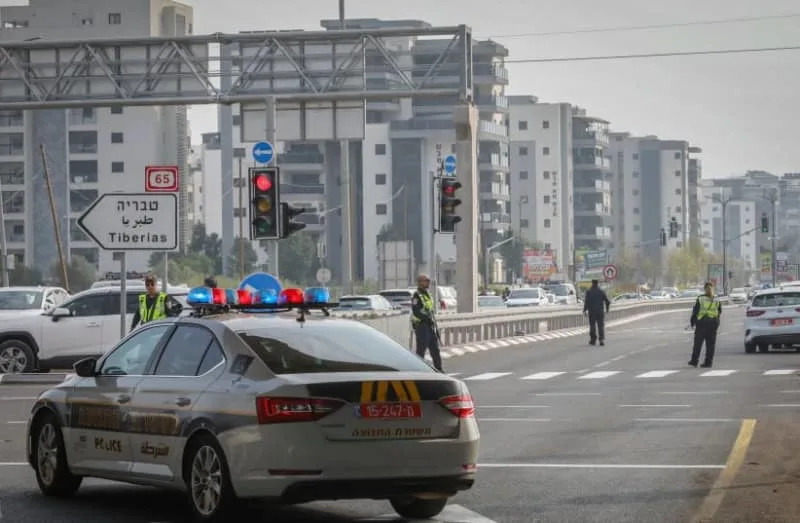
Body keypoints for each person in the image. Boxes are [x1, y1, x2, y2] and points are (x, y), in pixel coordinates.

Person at [411, 273, 443, 372]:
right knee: (421, 351)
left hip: (430, 325)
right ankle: (417, 370)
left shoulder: (427, 294)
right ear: (420, 282)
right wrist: (426, 317)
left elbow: (429, 309)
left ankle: (439, 370)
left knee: (435, 349)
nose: (428, 282)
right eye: (426, 281)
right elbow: (416, 312)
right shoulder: (417, 296)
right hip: (421, 326)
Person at [689, 282, 722, 368]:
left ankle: (694, 361)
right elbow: (719, 311)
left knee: (698, 343)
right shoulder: (716, 299)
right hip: (713, 324)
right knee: (711, 345)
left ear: (704, 289)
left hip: (702, 323)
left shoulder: (700, 299)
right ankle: (708, 362)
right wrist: (717, 321)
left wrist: (692, 322)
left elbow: (695, 311)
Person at [583, 279, 610, 346]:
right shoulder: (601, 292)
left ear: (592, 283)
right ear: (597, 284)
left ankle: (593, 340)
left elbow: (586, 302)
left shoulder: (589, 292)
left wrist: (585, 310)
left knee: (592, 325)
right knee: (600, 326)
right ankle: (601, 340)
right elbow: (607, 301)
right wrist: (607, 309)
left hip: (592, 311)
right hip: (600, 311)